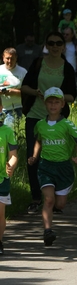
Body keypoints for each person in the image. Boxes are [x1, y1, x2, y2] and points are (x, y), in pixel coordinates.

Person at [20, 31, 77, 215]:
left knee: (56, 155)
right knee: (33, 156)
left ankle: (53, 197)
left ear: (63, 46)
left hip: (56, 119)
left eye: (58, 43)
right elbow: (24, 87)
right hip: (35, 115)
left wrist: (56, 95)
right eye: (51, 43)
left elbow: (72, 96)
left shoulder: (67, 67)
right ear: (46, 45)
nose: (54, 47)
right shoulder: (38, 63)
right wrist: (37, 92)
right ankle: (36, 198)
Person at [27, 87, 77, 246]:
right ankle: (47, 231)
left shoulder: (67, 124)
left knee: (60, 204)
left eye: (56, 102)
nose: (53, 105)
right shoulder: (40, 124)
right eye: (50, 102)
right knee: (49, 199)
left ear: (62, 104)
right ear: (45, 104)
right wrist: (34, 156)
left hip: (64, 168)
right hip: (46, 166)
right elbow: (38, 140)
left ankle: (50, 218)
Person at [0, 93, 18, 254]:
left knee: (0, 213)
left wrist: (11, 166)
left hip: (1, 179)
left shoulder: (6, 131)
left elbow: (13, 155)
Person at [0, 48, 27, 126]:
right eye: (7, 58)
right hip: (1, 108)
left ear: (16, 58)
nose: (9, 61)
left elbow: (27, 93)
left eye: (12, 58)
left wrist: (13, 92)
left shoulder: (23, 72)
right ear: (3, 58)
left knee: (9, 129)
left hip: (15, 108)